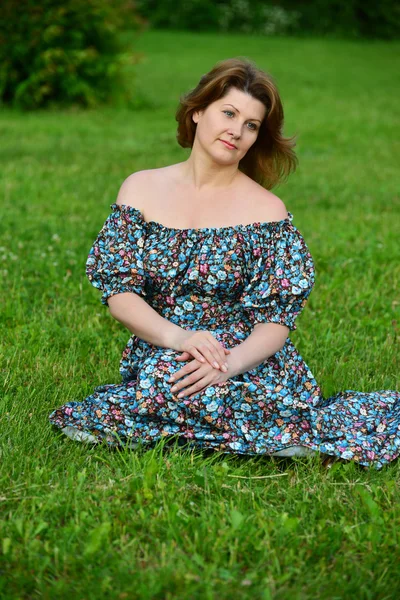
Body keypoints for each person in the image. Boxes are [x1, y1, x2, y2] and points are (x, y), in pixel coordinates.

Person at [49, 57, 399, 469]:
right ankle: (251, 432)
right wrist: (179, 338)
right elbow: (119, 292)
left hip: (244, 354)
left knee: (208, 390)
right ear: (197, 112)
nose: (237, 130)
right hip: (169, 344)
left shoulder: (267, 211)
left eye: (251, 125)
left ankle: (271, 427)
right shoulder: (141, 189)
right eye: (229, 113)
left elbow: (276, 319)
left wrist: (228, 364)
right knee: (170, 381)